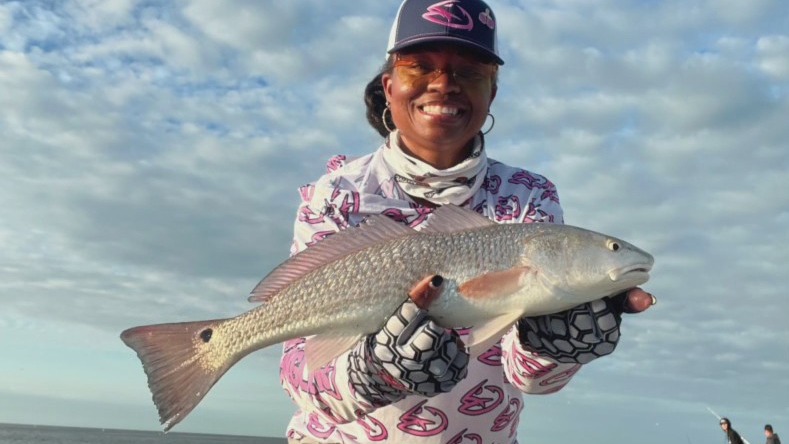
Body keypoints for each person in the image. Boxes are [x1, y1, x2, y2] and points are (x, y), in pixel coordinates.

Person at [279, 0, 653, 442]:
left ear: (491, 93)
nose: (443, 84)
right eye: (419, 67)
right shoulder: (335, 194)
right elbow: (299, 372)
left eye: (470, 71)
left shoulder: (530, 197)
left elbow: (531, 379)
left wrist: (555, 349)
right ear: (389, 86)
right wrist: (375, 371)